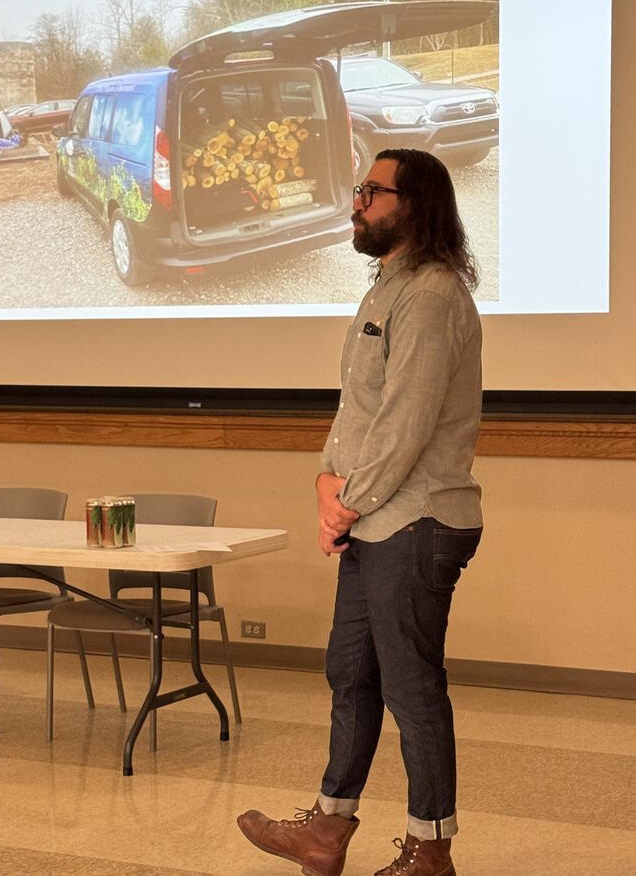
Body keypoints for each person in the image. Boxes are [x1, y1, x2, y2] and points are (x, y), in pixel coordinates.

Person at [237, 148, 484, 876]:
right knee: (350, 671)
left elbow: (405, 423)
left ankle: (429, 848)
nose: (356, 203)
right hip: (373, 515)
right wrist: (325, 480)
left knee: (411, 689)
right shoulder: (384, 286)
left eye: (372, 192)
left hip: (417, 520)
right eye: (358, 189)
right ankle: (326, 829)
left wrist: (340, 505)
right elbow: (359, 410)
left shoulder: (433, 293)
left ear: (415, 203)